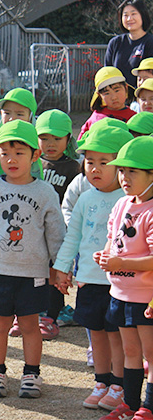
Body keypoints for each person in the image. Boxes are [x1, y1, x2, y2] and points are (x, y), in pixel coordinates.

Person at [0, 120, 66, 399]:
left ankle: (31, 373)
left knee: (30, 325)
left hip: (33, 272)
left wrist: (60, 268)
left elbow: (56, 234)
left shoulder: (45, 192)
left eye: (19, 153)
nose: (11, 159)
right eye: (5, 153)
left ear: (35, 155)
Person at [53, 125, 133, 412]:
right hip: (88, 280)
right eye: (89, 161)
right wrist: (62, 269)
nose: (95, 169)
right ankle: (101, 381)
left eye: (104, 162)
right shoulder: (85, 198)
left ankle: (119, 384)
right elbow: (72, 237)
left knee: (116, 336)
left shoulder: (129, 202)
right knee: (96, 333)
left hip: (120, 285)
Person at [95, 136, 153, 420]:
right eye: (121, 170)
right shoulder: (121, 205)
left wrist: (121, 261)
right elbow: (112, 239)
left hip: (145, 297)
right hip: (119, 293)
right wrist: (105, 256)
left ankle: (149, 407)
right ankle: (130, 404)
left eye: (133, 171)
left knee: (151, 353)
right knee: (130, 351)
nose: (124, 177)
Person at [33, 109, 81, 340]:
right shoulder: (32, 164)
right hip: (33, 229)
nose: (50, 144)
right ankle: (34, 312)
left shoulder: (73, 167)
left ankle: (52, 315)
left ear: (68, 140)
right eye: (44, 138)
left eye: (57, 138)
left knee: (56, 271)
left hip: (59, 231)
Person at [105, 0, 153, 88]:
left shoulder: (150, 42)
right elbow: (107, 73)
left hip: (144, 98)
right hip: (118, 98)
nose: (129, 19)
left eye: (133, 14)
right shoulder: (115, 43)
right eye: (125, 15)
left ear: (143, 15)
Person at [79, 66, 136, 140]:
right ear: (99, 96)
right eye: (107, 93)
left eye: (117, 90)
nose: (114, 97)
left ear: (126, 88)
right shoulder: (95, 117)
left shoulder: (134, 118)